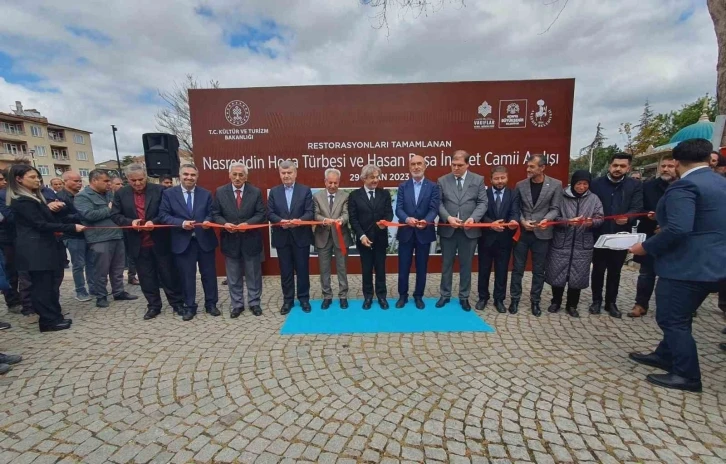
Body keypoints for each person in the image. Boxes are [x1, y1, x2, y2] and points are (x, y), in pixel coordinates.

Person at [629, 139, 726, 392]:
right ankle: (665, 355)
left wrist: (646, 247)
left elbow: (679, 229)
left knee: (672, 319)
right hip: (714, 264)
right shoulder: (719, 182)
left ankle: (687, 375)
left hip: (686, 266)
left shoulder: (685, 186)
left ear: (677, 161)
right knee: (680, 316)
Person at [6, 164, 85, 332]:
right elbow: (40, 224)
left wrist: (58, 209)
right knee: (41, 286)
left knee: (50, 284)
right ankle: (48, 321)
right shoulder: (22, 200)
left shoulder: (35, 197)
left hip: (45, 247)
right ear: (19, 179)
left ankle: (54, 316)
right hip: (34, 249)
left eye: (38, 177)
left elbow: (47, 218)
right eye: (32, 177)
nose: (37, 180)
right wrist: (71, 227)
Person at [111, 164, 184, 320]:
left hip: (160, 240)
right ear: (127, 180)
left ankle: (177, 303)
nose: (138, 183)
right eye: (133, 180)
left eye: (140, 179)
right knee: (146, 277)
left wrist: (154, 222)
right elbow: (115, 215)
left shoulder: (159, 190)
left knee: (168, 275)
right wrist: (130, 222)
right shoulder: (121, 194)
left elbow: (167, 212)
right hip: (137, 243)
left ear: (146, 177)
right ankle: (153, 306)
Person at [159, 164, 219, 321]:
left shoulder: (205, 194)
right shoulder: (169, 194)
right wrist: (181, 223)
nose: (189, 177)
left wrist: (207, 220)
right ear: (179, 176)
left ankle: (211, 304)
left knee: (209, 275)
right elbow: (163, 216)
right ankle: (190, 306)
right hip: (182, 241)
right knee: (187, 276)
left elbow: (212, 212)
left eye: (193, 175)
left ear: (197, 177)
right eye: (186, 174)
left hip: (204, 240)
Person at [589, 153, 643, 318]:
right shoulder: (596, 184)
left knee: (615, 271)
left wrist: (628, 217)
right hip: (600, 233)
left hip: (621, 235)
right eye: (615, 165)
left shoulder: (634, 185)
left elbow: (637, 207)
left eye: (622, 166)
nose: (618, 169)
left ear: (628, 168)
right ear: (610, 165)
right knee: (598, 269)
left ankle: (611, 302)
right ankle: (596, 301)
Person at [75, 169, 138, 308]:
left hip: (117, 234)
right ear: (94, 180)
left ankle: (118, 291)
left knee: (118, 267)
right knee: (101, 269)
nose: (109, 184)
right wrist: (109, 209)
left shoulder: (110, 194)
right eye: (105, 181)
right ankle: (101, 295)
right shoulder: (83, 196)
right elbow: (88, 215)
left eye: (109, 181)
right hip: (99, 238)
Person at [211, 162, 267, 317]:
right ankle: (237, 304)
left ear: (246, 176)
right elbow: (215, 214)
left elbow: (261, 214)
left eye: (241, 175)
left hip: (251, 240)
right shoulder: (220, 192)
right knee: (233, 276)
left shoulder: (255, 192)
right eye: (234, 174)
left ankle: (254, 303)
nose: (237, 178)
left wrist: (248, 224)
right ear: (229, 175)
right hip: (230, 240)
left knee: (253, 275)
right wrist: (224, 224)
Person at [509, 154, 563, 316]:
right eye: (528, 166)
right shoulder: (520, 185)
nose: (528, 169)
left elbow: (555, 208)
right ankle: (514, 300)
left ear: (542, 168)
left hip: (543, 234)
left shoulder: (555, 185)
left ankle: (535, 301)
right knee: (517, 268)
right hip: (523, 233)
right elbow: (516, 208)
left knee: (539, 270)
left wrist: (547, 220)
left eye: (532, 166)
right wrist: (523, 221)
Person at [545, 171, 604, 318]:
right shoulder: (562, 196)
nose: (582, 187)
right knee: (558, 273)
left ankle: (572, 305)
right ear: (573, 183)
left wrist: (592, 222)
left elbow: (600, 217)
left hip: (582, 243)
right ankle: (555, 301)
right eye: (579, 183)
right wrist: (567, 221)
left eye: (585, 184)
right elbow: (554, 215)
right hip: (562, 241)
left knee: (577, 275)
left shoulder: (594, 199)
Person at [436, 151, 488, 311]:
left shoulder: (478, 180)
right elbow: (438, 203)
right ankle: (444, 295)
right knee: (446, 265)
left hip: (469, 230)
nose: (456, 168)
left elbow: (483, 202)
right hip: (448, 230)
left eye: (460, 165)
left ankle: (464, 296)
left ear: (467, 165)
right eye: (453, 165)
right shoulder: (442, 180)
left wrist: (473, 218)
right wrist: (448, 218)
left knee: (466, 265)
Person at [629, 157, 677, 318]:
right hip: (650, 234)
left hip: (674, 237)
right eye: (663, 166)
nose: (666, 169)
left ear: (677, 166)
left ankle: (676, 307)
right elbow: (638, 207)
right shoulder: (648, 186)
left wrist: (665, 225)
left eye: (670, 166)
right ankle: (641, 304)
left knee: (673, 274)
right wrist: (648, 216)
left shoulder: (684, 186)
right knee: (646, 273)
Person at [268, 161, 315, 315]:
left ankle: (304, 299)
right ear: (280, 174)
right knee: (286, 271)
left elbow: (310, 212)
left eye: (289, 173)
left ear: (295, 173)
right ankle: (288, 300)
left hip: (300, 236)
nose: (286, 175)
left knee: (302, 270)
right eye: (283, 173)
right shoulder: (274, 192)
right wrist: (280, 221)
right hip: (282, 236)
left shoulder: (305, 190)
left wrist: (299, 221)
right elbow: (270, 213)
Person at [395, 155, 440, 310]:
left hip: (424, 232)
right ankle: (402, 296)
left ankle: (418, 296)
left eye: (419, 164)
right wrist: (407, 219)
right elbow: (398, 208)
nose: (416, 167)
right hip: (406, 232)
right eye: (413, 164)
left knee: (422, 267)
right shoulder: (403, 187)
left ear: (425, 166)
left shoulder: (433, 187)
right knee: (403, 266)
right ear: (409, 167)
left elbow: (434, 208)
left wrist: (425, 221)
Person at [349, 164, 394, 310]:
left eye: (377, 177)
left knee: (380, 269)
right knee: (366, 269)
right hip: (364, 240)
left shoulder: (385, 194)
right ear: (364, 178)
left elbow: (389, 214)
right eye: (372, 177)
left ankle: (382, 296)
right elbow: (353, 219)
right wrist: (361, 235)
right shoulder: (354, 195)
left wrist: (385, 223)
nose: (375, 180)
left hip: (380, 239)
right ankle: (368, 296)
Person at [477, 166, 520, 313]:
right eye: (496, 178)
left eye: (502, 178)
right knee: (484, 270)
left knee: (502, 270)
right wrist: (491, 224)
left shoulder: (513, 194)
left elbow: (515, 212)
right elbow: (480, 213)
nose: (500, 181)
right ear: (491, 179)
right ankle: (483, 297)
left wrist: (514, 222)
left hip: (505, 239)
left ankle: (499, 299)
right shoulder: (484, 193)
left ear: (507, 178)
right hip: (486, 239)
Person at [313, 168, 354, 310]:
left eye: (335, 183)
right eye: (330, 182)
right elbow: (315, 214)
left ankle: (343, 296)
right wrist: (324, 220)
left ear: (339, 182)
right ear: (325, 182)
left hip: (340, 236)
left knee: (342, 268)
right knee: (324, 269)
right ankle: (327, 296)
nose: (332, 185)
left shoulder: (345, 196)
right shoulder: (317, 196)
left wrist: (341, 220)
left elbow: (346, 213)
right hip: (322, 236)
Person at [56, 171, 95, 301]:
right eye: (75, 181)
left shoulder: (80, 195)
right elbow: (62, 218)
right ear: (65, 181)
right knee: (78, 264)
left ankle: (93, 287)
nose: (79, 183)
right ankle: (80, 290)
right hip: (72, 235)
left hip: (86, 233)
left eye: (80, 181)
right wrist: (83, 215)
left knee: (91, 262)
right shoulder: (60, 197)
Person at [0, 168, 22, 313]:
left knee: (19, 269)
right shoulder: (2, 195)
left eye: (3, 179)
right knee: (10, 270)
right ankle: (12, 300)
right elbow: (9, 217)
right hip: (5, 239)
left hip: (14, 236)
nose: (3, 182)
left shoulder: (8, 193)